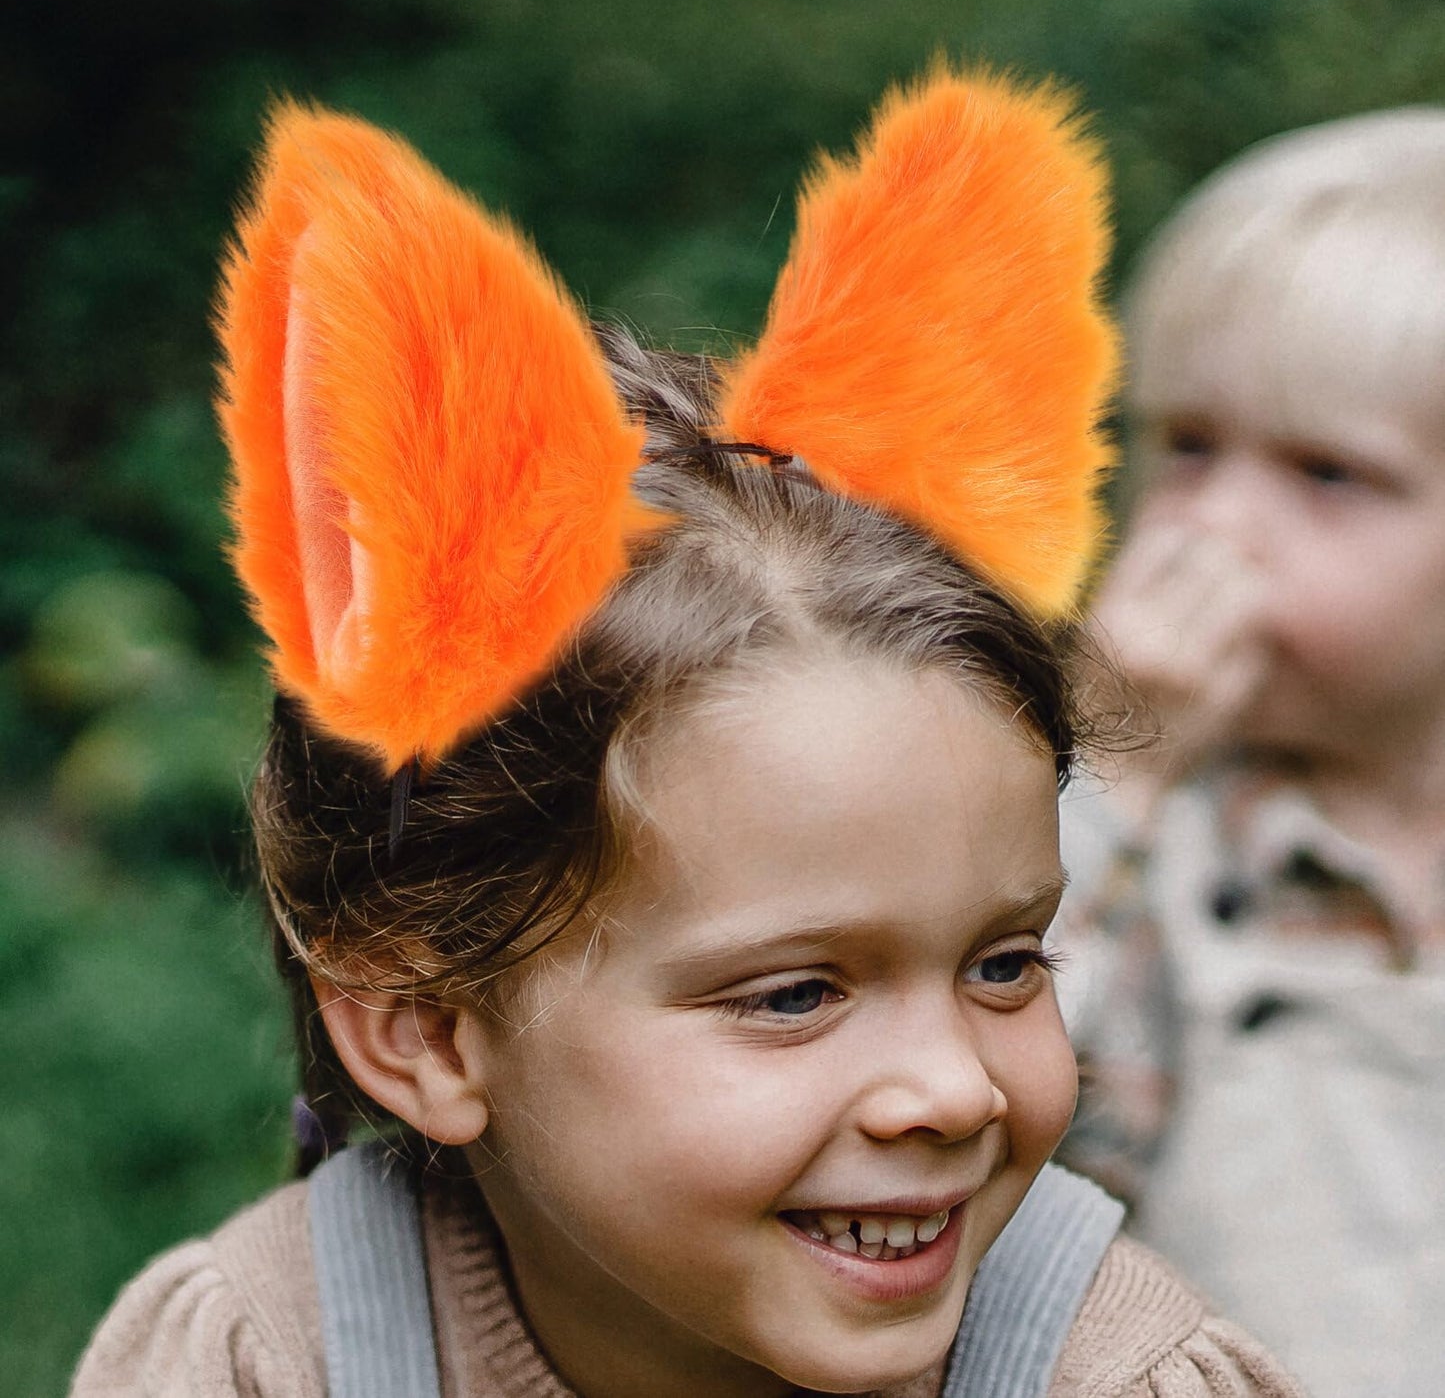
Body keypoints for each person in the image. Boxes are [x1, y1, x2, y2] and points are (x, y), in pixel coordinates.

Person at [71, 70, 1303, 1398]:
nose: (952, 1089)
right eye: (793, 993)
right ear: (424, 1030)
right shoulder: (262, 1356)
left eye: (1003, 964)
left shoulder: (1114, 1375)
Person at [1056, 108, 1445, 1398]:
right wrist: (1108, 762)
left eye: (1326, 473)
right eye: (1186, 446)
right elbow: (989, 1140)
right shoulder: (1148, 829)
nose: (1214, 522)